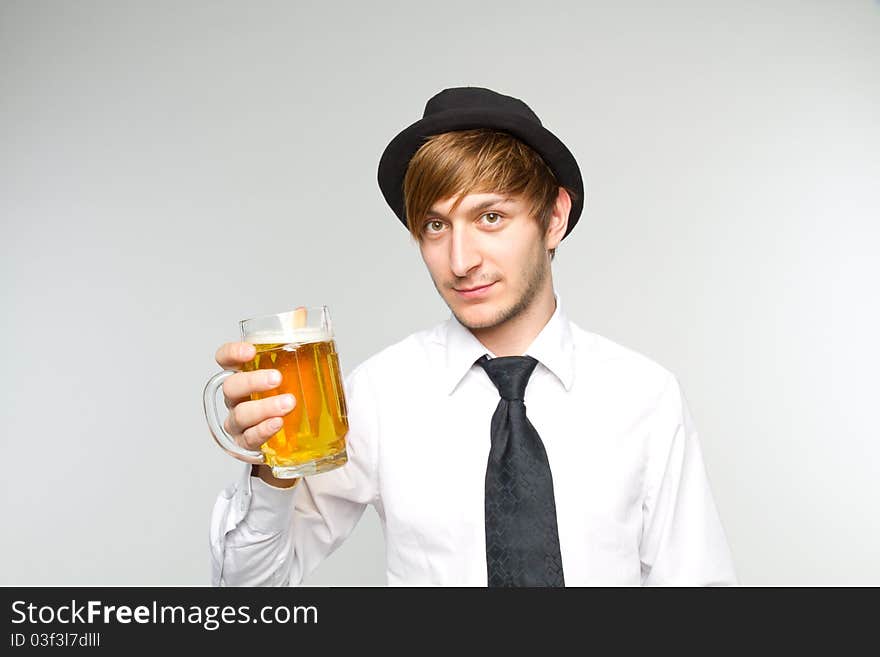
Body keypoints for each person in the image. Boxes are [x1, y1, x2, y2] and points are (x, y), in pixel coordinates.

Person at [208, 86, 738, 586]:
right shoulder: (379, 393)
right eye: (436, 226)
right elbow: (252, 588)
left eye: (490, 216)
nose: (460, 262)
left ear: (554, 218)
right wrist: (271, 475)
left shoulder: (645, 395)